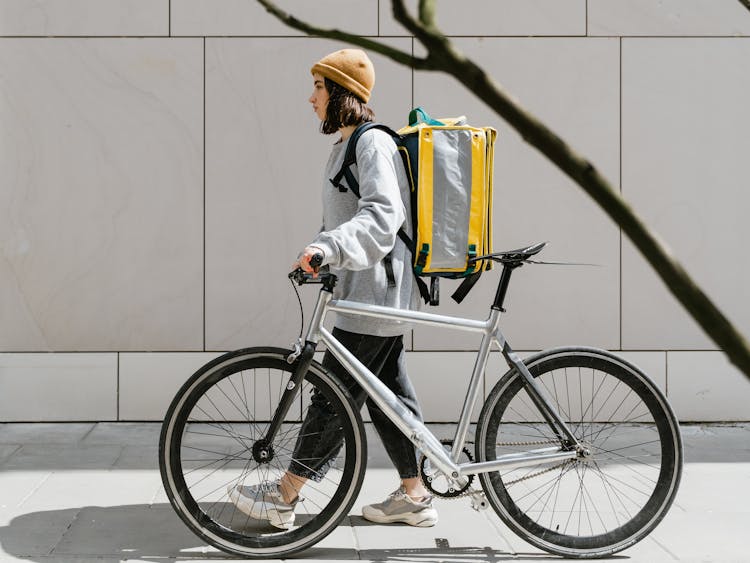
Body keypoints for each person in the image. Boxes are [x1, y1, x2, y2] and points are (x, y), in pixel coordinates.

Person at [227, 48, 437, 529]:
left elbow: (384, 215)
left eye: (318, 88)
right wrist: (325, 255)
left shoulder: (371, 144)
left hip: (376, 294)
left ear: (342, 92)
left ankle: (285, 494)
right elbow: (347, 218)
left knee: (334, 394)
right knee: (387, 398)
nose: (310, 98)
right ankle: (415, 494)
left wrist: (328, 248)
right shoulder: (345, 145)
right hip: (364, 292)